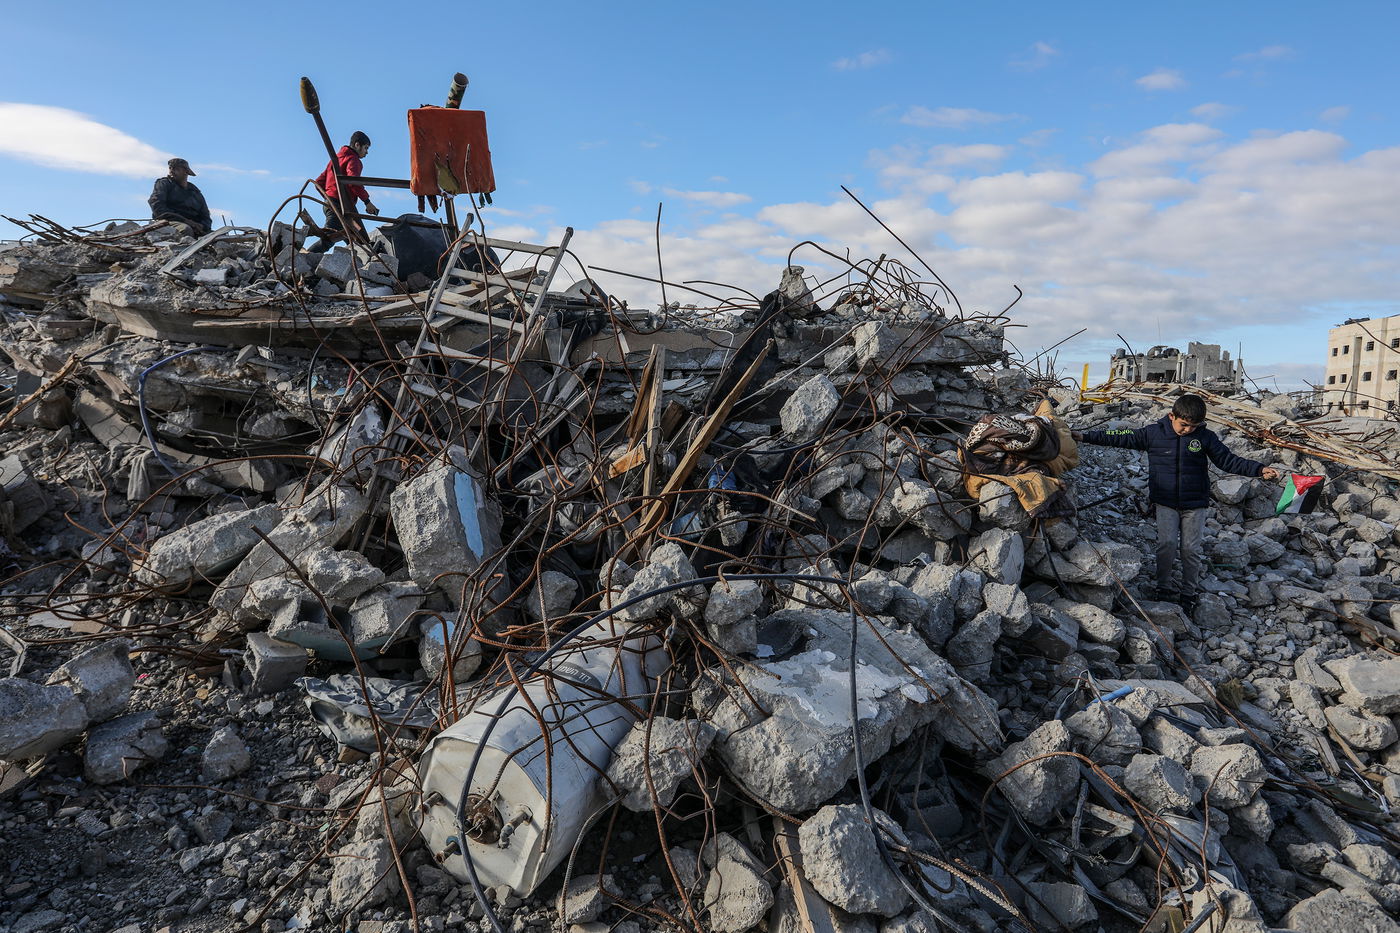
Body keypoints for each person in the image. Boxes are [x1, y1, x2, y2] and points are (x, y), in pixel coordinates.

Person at [1071, 393, 1279, 610]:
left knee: (1190, 549)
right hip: (1165, 502)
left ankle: (1188, 592)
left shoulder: (1205, 437)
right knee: (1167, 545)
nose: (1188, 429)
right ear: (1172, 416)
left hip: (1195, 503)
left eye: (1193, 426)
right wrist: (1085, 436)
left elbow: (1228, 460)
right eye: (1184, 424)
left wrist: (1259, 469)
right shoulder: (1153, 433)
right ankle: (1164, 587)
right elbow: (1121, 435)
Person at [306, 131, 379, 252]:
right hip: (339, 208)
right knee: (329, 239)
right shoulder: (353, 160)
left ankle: (363, 262)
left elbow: (319, 182)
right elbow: (354, 182)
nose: (367, 152)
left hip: (332, 205)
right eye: (365, 148)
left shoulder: (336, 159)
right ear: (357, 145)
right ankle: (303, 259)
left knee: (355, 235)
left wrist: (329, 197)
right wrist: (367, 202)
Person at [148, 158, 211, 235]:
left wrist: (202, 226)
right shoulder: (164, 184)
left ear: (186, 171)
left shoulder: (195, 192)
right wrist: (185, 221)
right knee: (186, 229)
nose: (171, 171)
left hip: (195, 226)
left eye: (176, 169)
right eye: (170, 168)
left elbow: (206, 216)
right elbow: (157, 206)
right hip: (168, 222)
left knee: (218, 236)